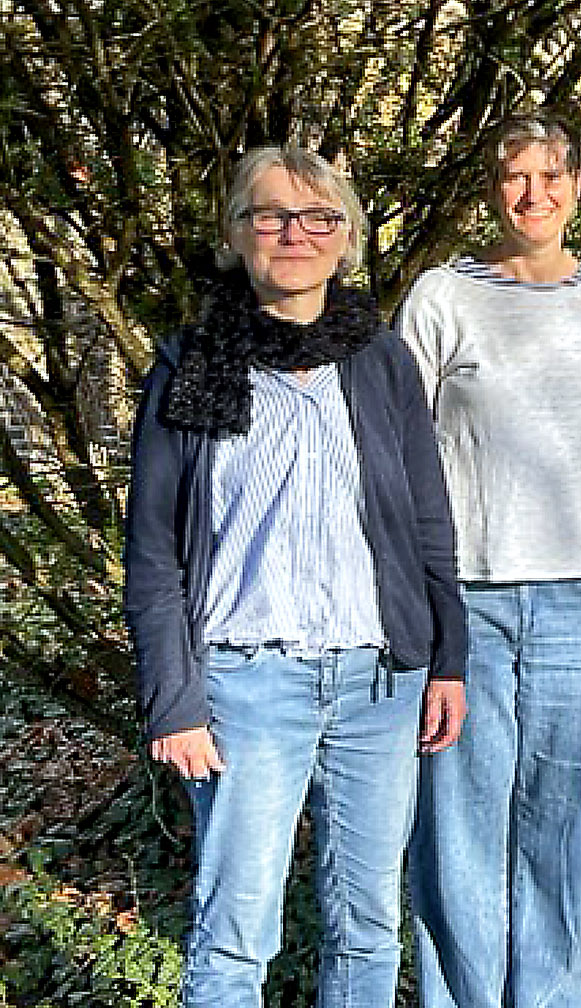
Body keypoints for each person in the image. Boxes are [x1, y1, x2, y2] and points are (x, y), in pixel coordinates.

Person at [124, 145, 466, 1007]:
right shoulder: (189, 366)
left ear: (344, 239)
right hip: (245, 687)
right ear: (236, 235)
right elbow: (156, 554)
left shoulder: (381, 362)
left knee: (367, 929)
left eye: (317, 218)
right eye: (269, 215)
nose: (293, 234)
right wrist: (175, 700)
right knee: (235, 934)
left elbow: (428, 522)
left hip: (378, 684)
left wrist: (447, 658)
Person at [400, 114, 581, 1008]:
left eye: (552, 175)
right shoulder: (441, 297)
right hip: (468, 597)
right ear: (491, 188)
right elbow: (403, 452)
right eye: (516, 176)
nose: (533, 193)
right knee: (461, 828)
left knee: (561, 823)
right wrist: (423, 608)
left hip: (580, 599)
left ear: (577, 186)